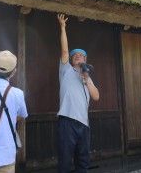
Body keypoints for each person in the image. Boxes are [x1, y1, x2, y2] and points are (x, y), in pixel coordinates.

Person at [56, 14, 100, 173]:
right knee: (65, 162)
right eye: (76, 56)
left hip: (84, 124)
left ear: (86, 60)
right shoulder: (66, 70)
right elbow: (65, 51)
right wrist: (63, 28)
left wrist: (87, 79)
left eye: (82, 56)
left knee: (83, 162)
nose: (78, 57)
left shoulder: (87, 77)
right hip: (67, 121)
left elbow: (96, 96)